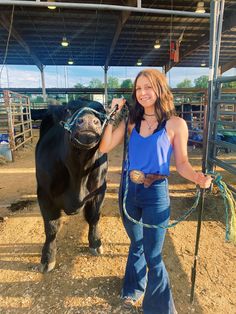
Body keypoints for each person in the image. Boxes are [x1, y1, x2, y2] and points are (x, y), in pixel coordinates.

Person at [99, 69, 212, 314]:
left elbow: (181, 164)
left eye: (148, 87)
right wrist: (113, 114)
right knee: (136, 242)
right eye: (138, 89)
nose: (142, 93)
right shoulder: (132, 122)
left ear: (159, 89)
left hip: (156, 193)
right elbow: (105, 146)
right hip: (130, 190)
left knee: (153, 254)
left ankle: (160, 309)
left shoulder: (175, 124)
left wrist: (197, 178)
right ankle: (133, 288)